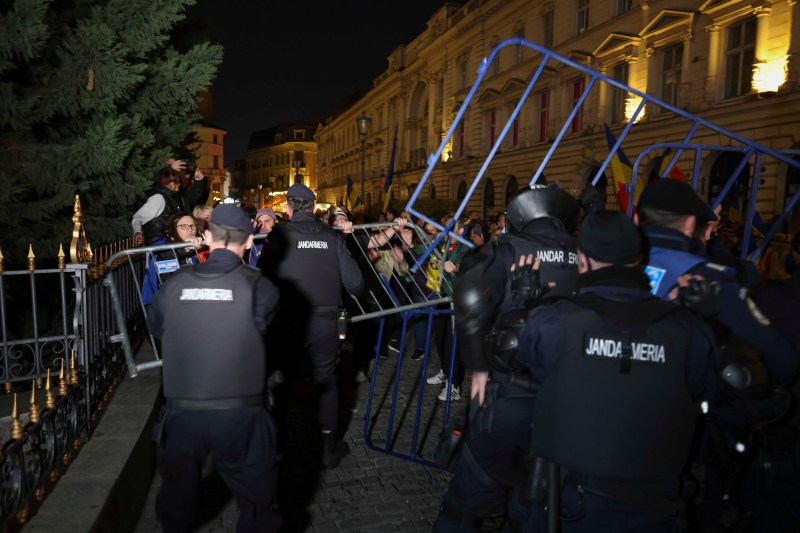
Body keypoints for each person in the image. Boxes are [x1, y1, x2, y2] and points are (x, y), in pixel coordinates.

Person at [522, 210, 719, 532]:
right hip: (658, 509)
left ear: (582, 261)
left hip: (570, 506)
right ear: (640, 258)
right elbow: (710, 390)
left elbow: (529, 362)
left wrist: (528, 305)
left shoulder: (555, 322)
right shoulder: (689, 329)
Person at [432, 185, 580, 531]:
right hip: (564, 396)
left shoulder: (507, 248)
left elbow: (468, 296)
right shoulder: (584, 251)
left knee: (471, 493)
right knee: (534, 499)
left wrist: (478, 368)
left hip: (508, 390)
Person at [147, 204, 281, 532]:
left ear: (208, 236)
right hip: (240, 411)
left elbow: (157, 327)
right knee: (257, 501)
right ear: (249, 242)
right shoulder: (261, 287)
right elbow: (266, 335)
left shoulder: (175, 283)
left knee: (176, 498)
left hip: (183, 411)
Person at [636, 178, 798, 387]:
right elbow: (781, 360)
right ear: (689, 224)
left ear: (636, 220)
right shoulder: (708, 280)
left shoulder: (612, 265)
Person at [257, 183, 364, 468]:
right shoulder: (331, 236)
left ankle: (279, 448)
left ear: (288, 209)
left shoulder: (279, 235)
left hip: (289, 322)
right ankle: (329, 446)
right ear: (315, 208)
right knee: (326, 379)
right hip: (326, 323)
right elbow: (356, 283)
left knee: (282, 381)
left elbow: (262, 280)